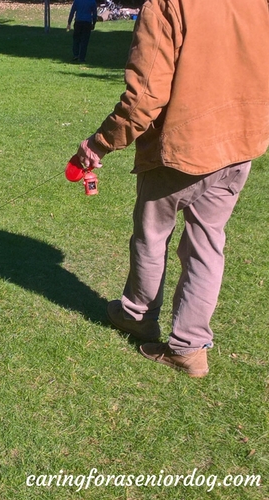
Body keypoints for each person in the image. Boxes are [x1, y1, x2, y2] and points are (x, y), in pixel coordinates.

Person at [73, 0, 269, 377]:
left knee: (152, 236)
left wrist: (99, 143)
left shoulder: (167, 4)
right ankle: (190, 347)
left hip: (183, 147)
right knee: (207, 242)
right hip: (241, 141)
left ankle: (138, 316)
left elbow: (145, 95)